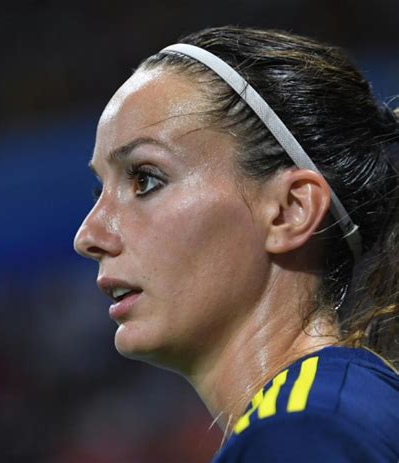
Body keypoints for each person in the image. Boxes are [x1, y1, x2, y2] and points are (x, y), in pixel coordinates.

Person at [73, 26, 399, 462]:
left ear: (290, 210)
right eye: (100, 192)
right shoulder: (334, 411)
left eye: (145, 179)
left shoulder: (301, 433)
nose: (88, 237)